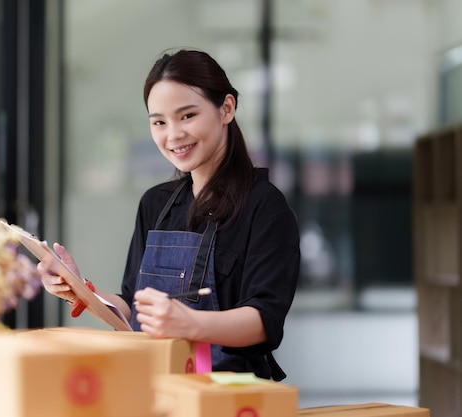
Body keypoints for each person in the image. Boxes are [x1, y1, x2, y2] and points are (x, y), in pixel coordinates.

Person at [39, 48, 300, 380]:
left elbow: (265, 322)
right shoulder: (155, 204)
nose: (173, 135)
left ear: (226, 108)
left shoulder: (264, 206)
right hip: (157, 389)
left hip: (231, 396)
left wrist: (189, 323)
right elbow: (132, 310)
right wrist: (79, 288)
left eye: (187, 116)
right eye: (159, 122)